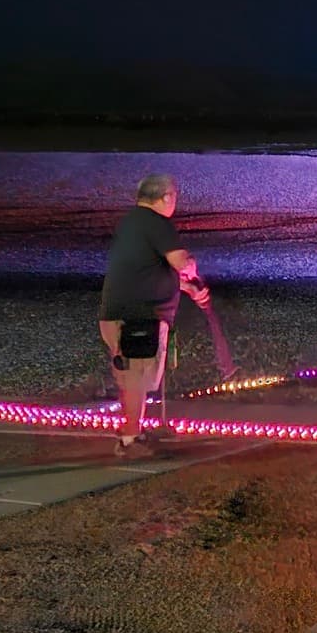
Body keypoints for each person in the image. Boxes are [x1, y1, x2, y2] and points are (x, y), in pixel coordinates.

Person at [98, 174, 209, 452]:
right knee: (135, 378)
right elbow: (180, 261)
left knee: (129, 377)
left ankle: (132, 432)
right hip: (139, 317)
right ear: (166, 197)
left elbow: (146, 272)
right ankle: (129, 439)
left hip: (116, 313)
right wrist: (191, 268)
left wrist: (186, 289)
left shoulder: (130, 222)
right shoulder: (157, 223)